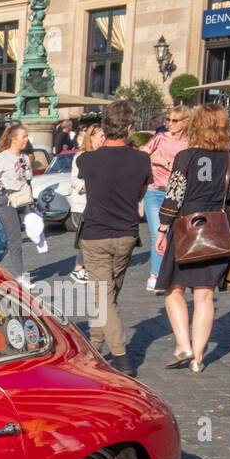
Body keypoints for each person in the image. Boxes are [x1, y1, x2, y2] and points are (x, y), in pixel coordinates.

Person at [157, 103, 230, 374]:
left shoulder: (186, 156)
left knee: (174, 288)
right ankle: (198, 358)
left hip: (187, 226)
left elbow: (175, 194)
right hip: (217, 229)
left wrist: (162, 228)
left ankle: (183, 344)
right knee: (205, 295)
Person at [76, 99, 151, 377]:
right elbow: (141, 194)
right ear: (130, 127)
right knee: (107, 296)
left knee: (103, 297)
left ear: (105, 127)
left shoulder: (87, 159)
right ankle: (95, 345)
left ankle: (120, 357)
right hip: (126, 234)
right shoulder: (142, 160)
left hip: (96, 234)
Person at [142, 105, 191, 293]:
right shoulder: (160, 138)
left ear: (185, 122)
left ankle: (175, 274)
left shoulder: (190, 142)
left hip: (178, 193)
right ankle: (155, 274)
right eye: (168, 120)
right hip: (155, 190)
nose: (170, 124)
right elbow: (142, 153)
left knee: (177, 233)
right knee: (157, 232)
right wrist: (161, 162)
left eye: (175, 120)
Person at [0, 123, 33, 280]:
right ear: (14, 138)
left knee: (8, 239)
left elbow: (28, 181)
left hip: (23, 200)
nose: (27, 139)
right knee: (15, 238)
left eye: (27, 136)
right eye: (23, 136)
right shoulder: (1, 158)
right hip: (5, 201)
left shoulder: (25, 158)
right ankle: (19, 277)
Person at [65, 124, 104, 283]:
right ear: (92, 136)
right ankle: (78, 268)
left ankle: (86, 267)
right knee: (86, 236)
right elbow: (74, 180)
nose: (103, 139)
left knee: (93, 236)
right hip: (83, 203)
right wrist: (85, 186)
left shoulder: (103, 155)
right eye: (101, 135)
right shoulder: (81, 155)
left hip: (99, 203)